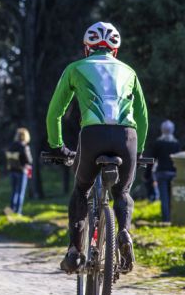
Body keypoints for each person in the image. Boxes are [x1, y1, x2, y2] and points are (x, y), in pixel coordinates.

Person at [45, 21, 148, 274]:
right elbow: (143, 117)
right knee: (122, 193)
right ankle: (123, 232)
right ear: (115, 51)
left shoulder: (75, 68)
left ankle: (75, 252)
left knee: (81, 189)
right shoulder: (129, 71)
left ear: (86, 48)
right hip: (127, 136)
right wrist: (140, 150)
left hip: (92, 135)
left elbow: (54, 114)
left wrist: (57, 146)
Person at [151, 120, 181, 222]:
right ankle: (173, 217)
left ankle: (166, 219)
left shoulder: (158, 143)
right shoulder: (176, 143)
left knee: (164, 197)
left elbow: (153, 159)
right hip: (174, 173)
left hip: (161, 173)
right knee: (172, 197)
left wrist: (147, 175)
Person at [6, 128, 32, 215]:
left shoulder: (12, 146)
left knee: (14, 192)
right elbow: (29, 160)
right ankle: (18, 212)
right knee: (21, 192)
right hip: (22, 171)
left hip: (12, 171)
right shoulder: (24, 147)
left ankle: (11, 210)